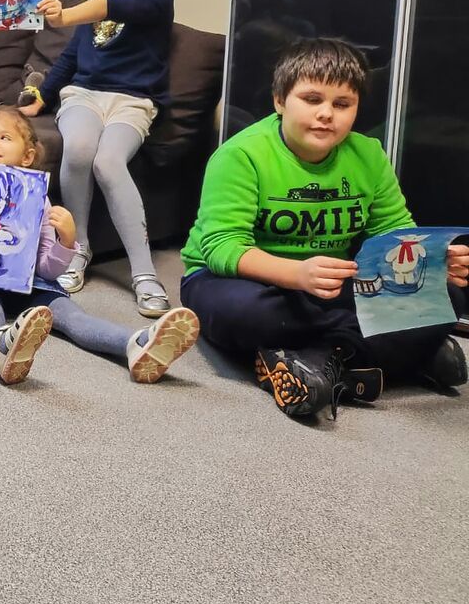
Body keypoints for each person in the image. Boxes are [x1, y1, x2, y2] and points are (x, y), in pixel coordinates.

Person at [181, 37, 469, 419]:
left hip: (328, 284)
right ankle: (398, 356)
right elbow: (222, 247)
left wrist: (430, 263)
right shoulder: (240, 155)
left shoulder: (368, 154)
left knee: (448, 298)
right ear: (280, 101)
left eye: (342, 104)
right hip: (237, 281)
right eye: (312, 99)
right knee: (247, 314)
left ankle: (320, 361)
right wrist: (297, 274)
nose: (326, 114)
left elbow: (394, 233)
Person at [0, 108, 199, 384]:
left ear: (27, 156)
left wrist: (66, 241)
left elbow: (47, 270)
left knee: (73, 316)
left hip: (31, 283)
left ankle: (135, 343)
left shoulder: (38, 201)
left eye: (4, 137)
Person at [20, 0, 177, 317]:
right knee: (78, 150)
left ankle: (144, 273)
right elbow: (70, 59)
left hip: (133, 102)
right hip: (84, 96)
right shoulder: (99, 1)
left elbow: (119, 8)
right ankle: (78, 248)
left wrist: (66, 15)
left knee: (108, 162)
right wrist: (42, 97)